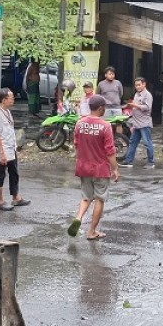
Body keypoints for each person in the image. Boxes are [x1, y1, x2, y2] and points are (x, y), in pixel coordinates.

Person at [66, 94, 120, 240]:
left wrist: (81, 159)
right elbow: (110, 151)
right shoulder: (105, 126)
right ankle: (92, 231)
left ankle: (78, 218)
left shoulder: (79, 123)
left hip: (83, 166)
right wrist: (115, 169)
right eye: (105, 107)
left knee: (86, 197)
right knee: (99, 199)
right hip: (100, 168)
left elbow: (76, 144)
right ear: (101, 108)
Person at [0, 88, 29, 211]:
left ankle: (16, 197)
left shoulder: (7, 112)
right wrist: (1, 153)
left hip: (11, 148)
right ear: (4, 99)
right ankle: (0, 201)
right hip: (2, 150)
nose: (13, 100)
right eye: (11, 97)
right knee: (0, 175)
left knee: (14, 173)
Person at [122, 76, 155, 168]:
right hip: (136, 123)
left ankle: (151, 162)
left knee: (147, 143)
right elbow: (135, 106)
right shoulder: (136, 94)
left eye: (139, 85)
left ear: (144, 84)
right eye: (136, 85)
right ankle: (129, 161)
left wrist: (135, 105)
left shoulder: (148, 95)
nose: (137, 87)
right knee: (133, 142)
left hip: (144, 123)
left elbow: (148, 108)